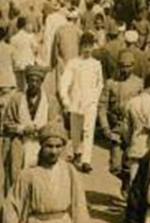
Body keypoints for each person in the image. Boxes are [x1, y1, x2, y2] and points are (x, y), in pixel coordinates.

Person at [2, 65, 62, 194]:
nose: (34, 83)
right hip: (20, 144)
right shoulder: (17, 99)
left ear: (41, 82)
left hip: (42, 146)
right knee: (16, 179)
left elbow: (55, 125)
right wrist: (22, 129)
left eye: (37, 81)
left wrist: (42, 131)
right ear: (27, 81)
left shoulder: (50, 101)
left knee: (40, 180)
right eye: (31, 80)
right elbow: (6, 123)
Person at [98, 49, 143, 192]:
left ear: (133, 65)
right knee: (115, 166)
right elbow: (102, 107)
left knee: (131, 163)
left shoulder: (139, 83)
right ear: (118, 65)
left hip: (133, 128)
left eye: (128, 66)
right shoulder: (111, 83)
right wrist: (105, 128)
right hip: (116, 128)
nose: (125, 69)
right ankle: (125, 179)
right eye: (122, 65)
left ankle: (129, 189)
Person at [59, 32, 104, 174]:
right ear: (80, 47)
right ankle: (76, 152)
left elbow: (100, 84)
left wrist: (95, 98)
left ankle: (86, 160)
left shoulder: (96, 64)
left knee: (89, 131)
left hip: (90, 102)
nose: (87, 49)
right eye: (85, 46)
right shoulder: (73, 63)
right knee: (75, 131)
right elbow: (64, 82)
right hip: (76, 102)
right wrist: (65, 99)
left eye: (90, 46)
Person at [125, 73, 150, 183]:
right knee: (147, 173)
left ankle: (132, 195)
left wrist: (128, 141)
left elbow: (128, 125)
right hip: (148, 141)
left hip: (135, 139)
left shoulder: (132, 102)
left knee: (134, 171)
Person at [9, 16, 38, 91]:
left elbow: (11, 53)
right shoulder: (30, 37)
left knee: (19, 86)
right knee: (27, 85)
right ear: (25, 25)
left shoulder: (13, 38)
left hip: (17, 64)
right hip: (28, 63)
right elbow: (35, 49)